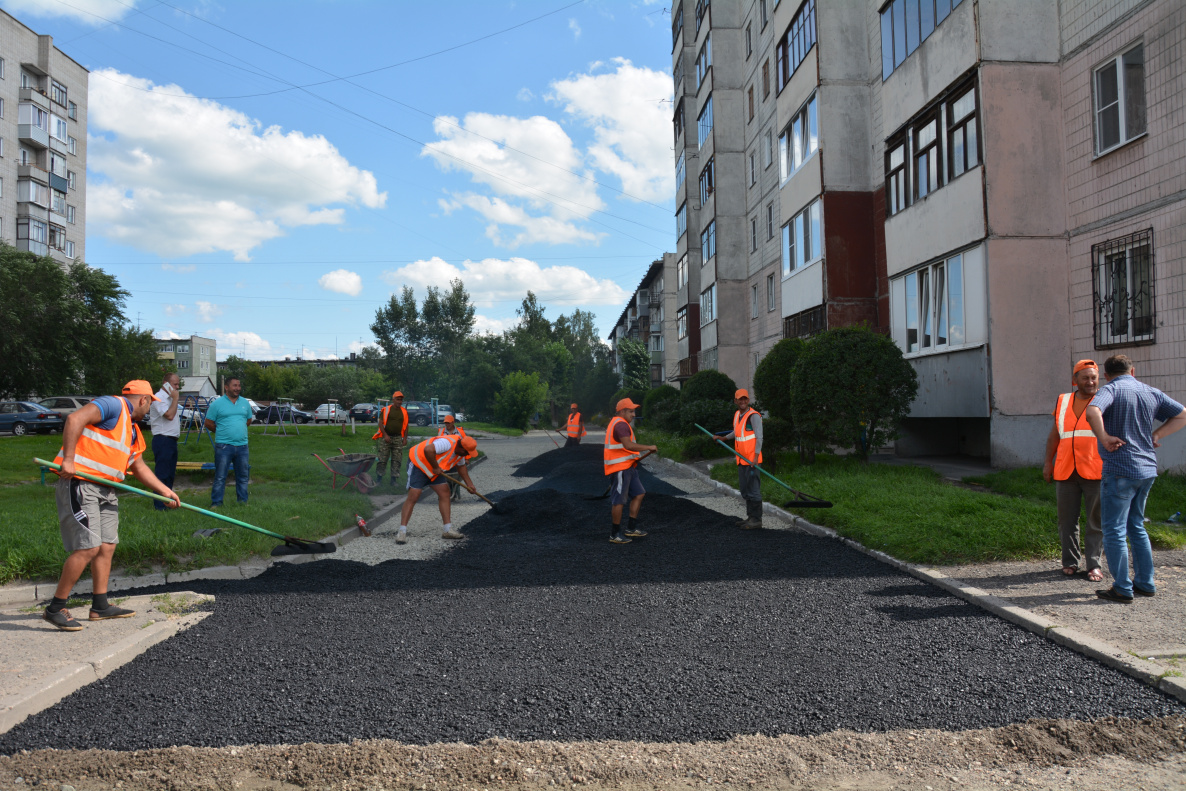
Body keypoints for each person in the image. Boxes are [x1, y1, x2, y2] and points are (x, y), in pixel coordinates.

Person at [44, 381, 181, 631]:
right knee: (88, 547)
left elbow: (137, 466)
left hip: (106, 490)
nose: (151, 408)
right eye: (151, 403)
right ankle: (55, 607)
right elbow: (75, 419)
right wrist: (69, 459)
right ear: (143, 400)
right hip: (81, 483)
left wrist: (164, 491)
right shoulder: (112, 405)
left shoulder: (132, 430)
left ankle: (100, 605)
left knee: (107, 546)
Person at [1084, 354, 1186, 603]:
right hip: (1146, 470)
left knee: (1114, 530)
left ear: (1106, 375)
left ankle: (1122, 587)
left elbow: (1092, 411)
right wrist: (1157, 434)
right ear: (1133, 371)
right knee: (1136, 526)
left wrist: (1105, 437)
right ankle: (1145, 583)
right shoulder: (1150, 391)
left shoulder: (1112, 390)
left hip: (1120, 468)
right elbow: (1182, 414)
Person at [1042, 360, 1105, 580]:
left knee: (1095, 521)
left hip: (1096, 470)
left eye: (1094, 377)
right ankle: (1070, 562)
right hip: (1066, 469)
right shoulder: (1063, 400)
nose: (1091, 382)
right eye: (1085, 377)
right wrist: (1048, 462)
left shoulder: (1105, 399)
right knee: (1066, 520)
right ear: (1074, 380)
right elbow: (1055, 435)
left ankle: (1094, 564)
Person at [396, 432, 478, 543]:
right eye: (465, 452)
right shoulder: (447, 443)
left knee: (445, 493)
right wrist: (435, 467)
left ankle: (447, 530)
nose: (466, 455)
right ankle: (402, 532)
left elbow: (461, 467)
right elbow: (428, 450)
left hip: (435, 468)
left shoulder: (461, 453)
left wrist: (469, 484)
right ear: (460, 447)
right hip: (419, 463)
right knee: (414, 495)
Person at [604, 398, 658, 544]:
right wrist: (648, 447)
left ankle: (631, 528)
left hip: (629, 466)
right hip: (620, 468)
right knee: (619, 500)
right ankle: (614, 534)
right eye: (631, 411)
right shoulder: (620, 424)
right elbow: (628, 445)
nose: (634, 414)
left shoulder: (620, 423)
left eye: (634, 411)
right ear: (622, 411)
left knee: (639, 493)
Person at [717, 389, 764, 529]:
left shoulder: (753, 416)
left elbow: (759, 437)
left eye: (745, 399)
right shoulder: (738, 414)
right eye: (740, 399)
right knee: (745, 489)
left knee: (753, 489)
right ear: (735, 401)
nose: (743, 401)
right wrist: (724, 438)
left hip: (752, 460)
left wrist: (755, 457)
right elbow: (737, 432)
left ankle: (756, 520)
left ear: (748, 400)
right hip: (741, 460)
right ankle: (750, 517)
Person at [203, 377, 254, 507]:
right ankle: (216, 503)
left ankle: (242, 502)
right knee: (220, 477)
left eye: (239, 385)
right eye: (234, 385)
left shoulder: (245, 403)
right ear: (226, 387)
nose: (237, 388)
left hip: (242, 446)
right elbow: (208, 423)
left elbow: (248, 420)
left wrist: (237, 430)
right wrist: (222, 431)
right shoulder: (217, 404)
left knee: (243, 476)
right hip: (224, 446)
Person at [148, 372, 182, 512]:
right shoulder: (158, 398)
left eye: (178, 385)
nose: (177, 388)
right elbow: (169, 415)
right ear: (166, 384)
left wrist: (173, 398)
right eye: (175, 384)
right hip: (162, 439)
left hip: (172, 440)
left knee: (170, 473)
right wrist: (175, 399)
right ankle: (160, 505)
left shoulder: (170, 397)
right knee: (162, 474)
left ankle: (168, 502)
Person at [437, 414, 478, 500]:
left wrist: (466, 459)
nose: (447, 425)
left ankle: (452, 490)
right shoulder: (441, 432)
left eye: (448, 423)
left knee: (457, 470)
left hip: (457, 457)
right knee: (446, 475)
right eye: (446, 423)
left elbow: (466, 447)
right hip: (445, 459)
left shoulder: (460, 431)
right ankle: (446, 492)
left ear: (453, 422)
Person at [372, 391, 408, 487]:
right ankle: (379, 479)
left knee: (397, 459)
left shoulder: (404, 411)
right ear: (393, 400)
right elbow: (380, 423)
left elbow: (406, 425)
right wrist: (385, 435)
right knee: (382, 458)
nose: (399, 401)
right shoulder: (387, 410)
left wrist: (405, 438)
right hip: (386, 438)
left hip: (398, 438)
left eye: (401, 400)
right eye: (397, 399)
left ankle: (393, 480)